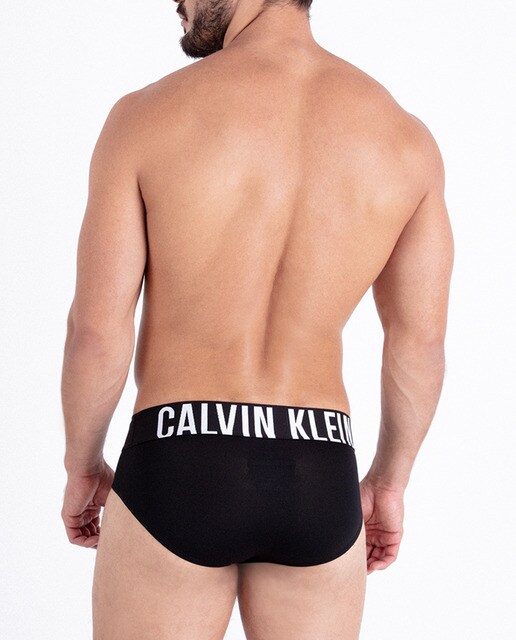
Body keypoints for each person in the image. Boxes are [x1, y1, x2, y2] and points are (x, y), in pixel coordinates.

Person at [60, 0, 454, 638]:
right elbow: (421, 344)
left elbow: (96, 333)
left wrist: (82, 464)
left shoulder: (144, 118)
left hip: (180, 455)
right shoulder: (405, 141)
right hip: (319, 467)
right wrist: (389, 480)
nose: (177, 1)